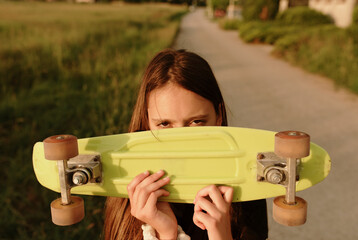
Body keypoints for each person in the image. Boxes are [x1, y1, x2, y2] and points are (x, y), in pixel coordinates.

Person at [103, 49, 268, 240]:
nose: (180, 141)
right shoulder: (127, 195)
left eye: (196, 122)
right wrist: (166, 235)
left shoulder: (246, 188)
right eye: (164, 124)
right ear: (146, 122)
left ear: (218, 116)